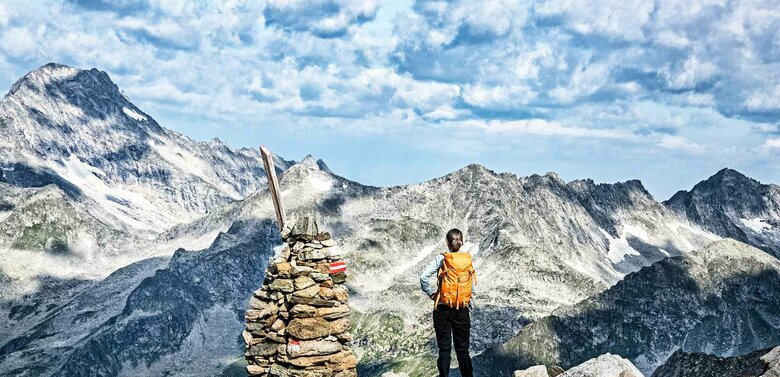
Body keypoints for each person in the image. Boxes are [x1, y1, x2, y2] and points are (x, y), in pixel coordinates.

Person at [420, 228, 476, 377]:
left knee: (444, 349)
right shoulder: (467, 260)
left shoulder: (442, 259)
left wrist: (431, 293)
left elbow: (423, 277)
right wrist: (468, 304)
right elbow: (472, 287)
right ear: (462, 242)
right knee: (463, 350)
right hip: (461, 310)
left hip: (442, 309)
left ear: (447, 242)